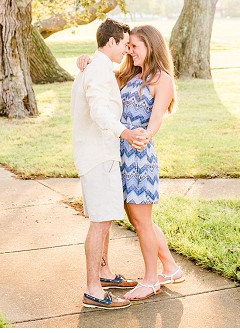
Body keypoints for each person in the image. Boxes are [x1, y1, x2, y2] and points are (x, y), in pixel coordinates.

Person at [77, 24, 184, 301]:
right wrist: (87, 60)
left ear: (150, 46)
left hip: (138, 155)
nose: (129, 50)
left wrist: (145, 135)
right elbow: (100, 77)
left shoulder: (163, 80)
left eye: (134, 46)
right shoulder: (127, 75)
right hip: (119, 154)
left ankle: (151, 280)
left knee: (141, 221)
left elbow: (157, 116)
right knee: (139, 219)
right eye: (127, 45)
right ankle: (170, 267)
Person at [70, 18, 149, 310]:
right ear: (112, 42)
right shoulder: (97, 71)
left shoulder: (97, 67)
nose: (127, 51)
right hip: (98, 155)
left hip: (102, 155)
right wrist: (124, 132)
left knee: (104, 221)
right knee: (100, 222)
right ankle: (93, 290)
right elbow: (100, 110)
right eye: (125, 45)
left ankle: (104, 273)